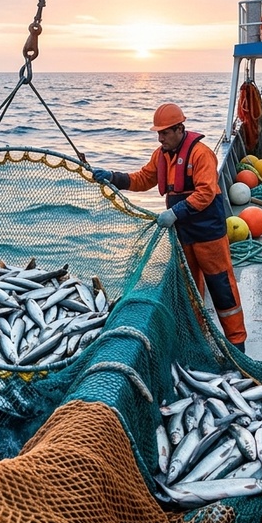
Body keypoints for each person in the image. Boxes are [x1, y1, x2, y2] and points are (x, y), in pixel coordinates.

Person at [91, 103, 248, 353]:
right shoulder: (161, 155)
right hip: (182, 234)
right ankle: (198, 341)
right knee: (190, 291)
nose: (160, 137)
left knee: (222, 287)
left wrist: (175, 212)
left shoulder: (201, 154)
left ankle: (237, 343)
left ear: (179, 129)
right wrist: (113, 177)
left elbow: (206, 192)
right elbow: (143, 178)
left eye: (164, 132)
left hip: (208, 234)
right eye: (158, 133)